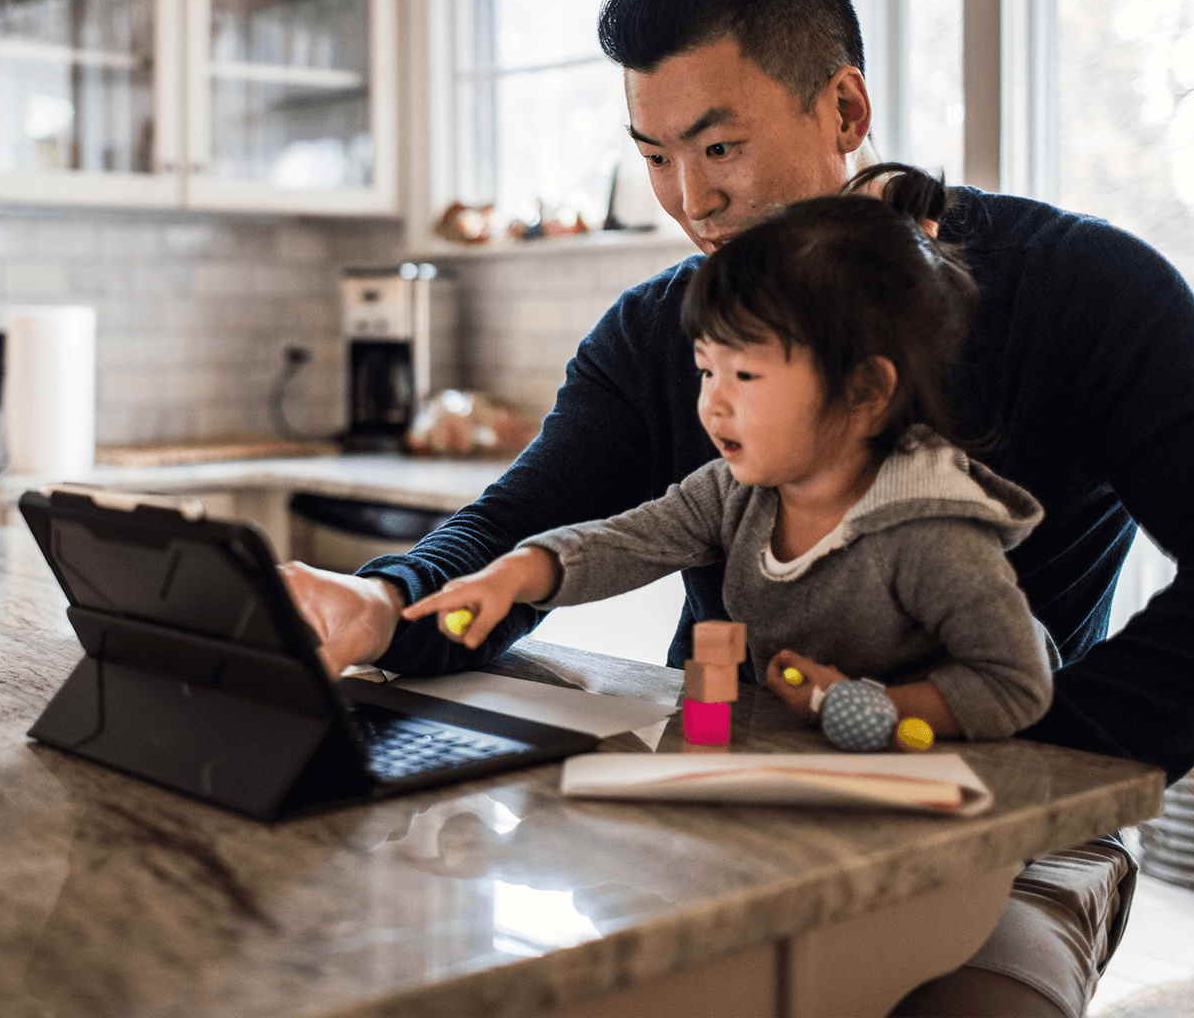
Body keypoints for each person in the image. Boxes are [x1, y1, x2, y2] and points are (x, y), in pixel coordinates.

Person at [278, 0, 1194, 1017]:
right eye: (655, 157)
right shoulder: (651, 335)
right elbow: (519, 529)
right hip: (719, 781)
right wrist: (385, 601)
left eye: (719, 147)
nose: (690, 200)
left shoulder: (1078, 291)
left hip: (1004, 827)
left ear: (846, 109)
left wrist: (1036, 764)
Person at [404, 166, 1057, 747]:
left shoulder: (929, 533)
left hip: (933, 799)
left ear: (863, 389)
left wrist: (873, 708)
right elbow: (625, 544)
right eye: (704, 372)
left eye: (742, 377)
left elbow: (1016, 683)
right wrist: (518, 573)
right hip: (797, 772)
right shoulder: (735, 493)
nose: (712, 405)